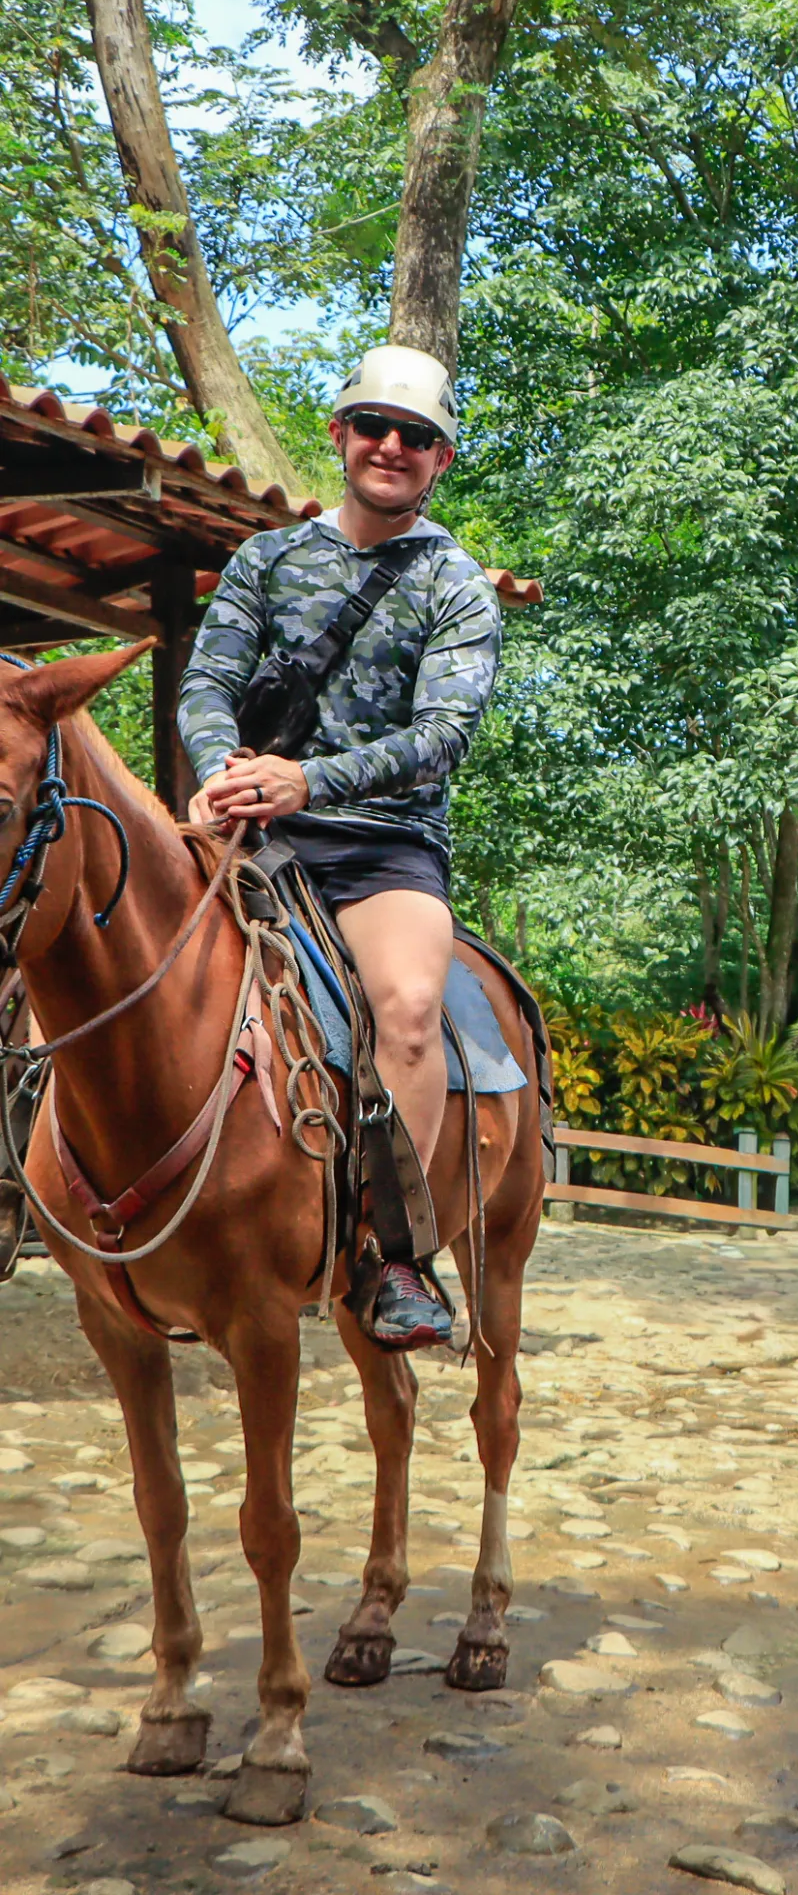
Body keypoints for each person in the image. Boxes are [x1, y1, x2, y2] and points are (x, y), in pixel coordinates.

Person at [178, 343, 503, 1350]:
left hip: (380, 849)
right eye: (374, 427)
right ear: (340, 435)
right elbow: (206, 684)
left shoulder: (457, 585)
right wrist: (219, 769)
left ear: (442, 458)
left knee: (406, 1008)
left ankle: (392, 1253)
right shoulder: (266, 559)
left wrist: (308, 780)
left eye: (416, 435)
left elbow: (442, 737)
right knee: (102, 933)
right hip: (249, 827)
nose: (392, 447)